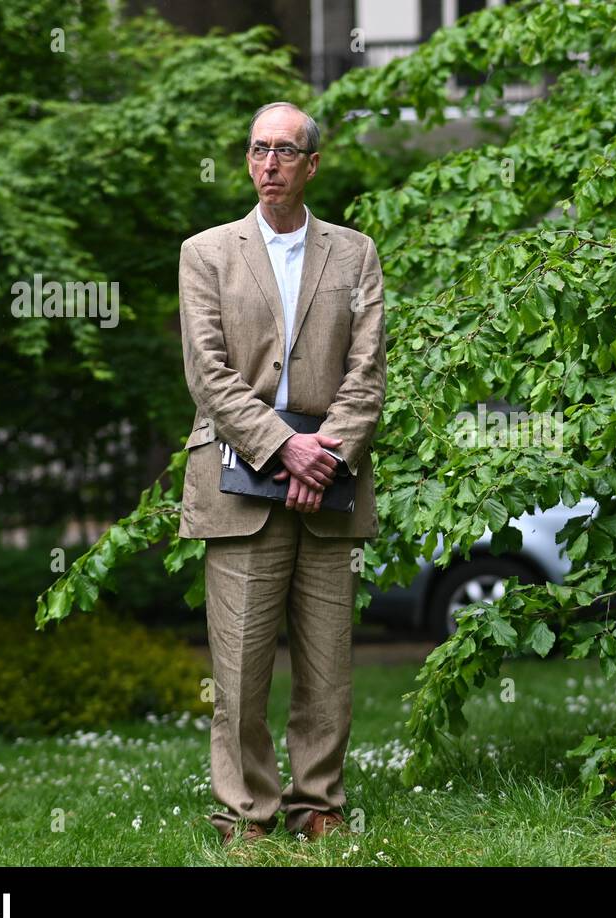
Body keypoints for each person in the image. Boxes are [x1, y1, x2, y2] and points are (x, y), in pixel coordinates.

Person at [176, 102, 386, 846]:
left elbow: (368, 372)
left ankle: (317, 805)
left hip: (329, 474)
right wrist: (280, 446)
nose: (269, 164)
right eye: (258, 150)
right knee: (237, 670)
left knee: (328, 663)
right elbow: (209, 374)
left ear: (312, 164)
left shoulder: (355, 254)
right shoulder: (207, 252)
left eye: (285, 151)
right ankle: (246, 815)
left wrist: (323, 451)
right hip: (239, 479)